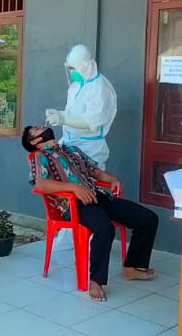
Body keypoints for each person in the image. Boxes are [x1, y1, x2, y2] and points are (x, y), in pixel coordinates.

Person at [22, 124, 157, 303]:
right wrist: (74, 188)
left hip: (98, 197)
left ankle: (132, 267)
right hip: (75, 205)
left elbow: (95, 171)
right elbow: (40, 183)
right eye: (37, 129)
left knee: (148, 219)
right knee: (104, 229)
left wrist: (112, 179)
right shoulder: (40, 156)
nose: (43, 126)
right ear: (35, 141)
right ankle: (96, 281)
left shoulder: (71, 150)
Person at [45, 44, 117, 168]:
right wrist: (59, 114)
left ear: (85, 66)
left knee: (83, 179)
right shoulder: (76, 86)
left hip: (89, 151)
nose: (71, 72)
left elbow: (92, 123)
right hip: (69, 144)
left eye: (73, 68)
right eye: (69, 68)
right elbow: (75, 114)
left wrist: (63, 119)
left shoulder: (99, 88)